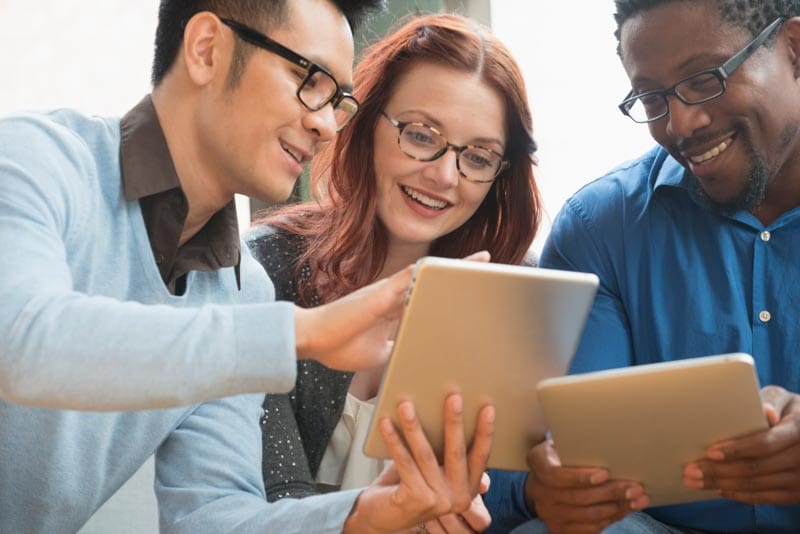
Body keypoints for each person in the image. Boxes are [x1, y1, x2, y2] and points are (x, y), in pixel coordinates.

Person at [0, 1, 497, 532]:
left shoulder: (242, 293)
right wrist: (303, 332)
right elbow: (22, 342)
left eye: (338, 101)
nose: (327, 125)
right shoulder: (31, 160)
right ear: (206, 49)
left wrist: (370, 513)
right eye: (309, 80)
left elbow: (210, 519)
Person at [484, 1, 800, 533]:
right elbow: (548, 454)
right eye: (651, 98)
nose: (680, 124)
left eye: (704, 79)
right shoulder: (600, 228)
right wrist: (553, 485)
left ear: (795, 48)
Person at [245, 12, 542, 533]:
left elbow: (502, 495)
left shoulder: (510, 291)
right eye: (422, 136)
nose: (445, 176)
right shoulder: (263, 269)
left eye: (479, 157)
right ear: (365, 123)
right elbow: (271, 503)